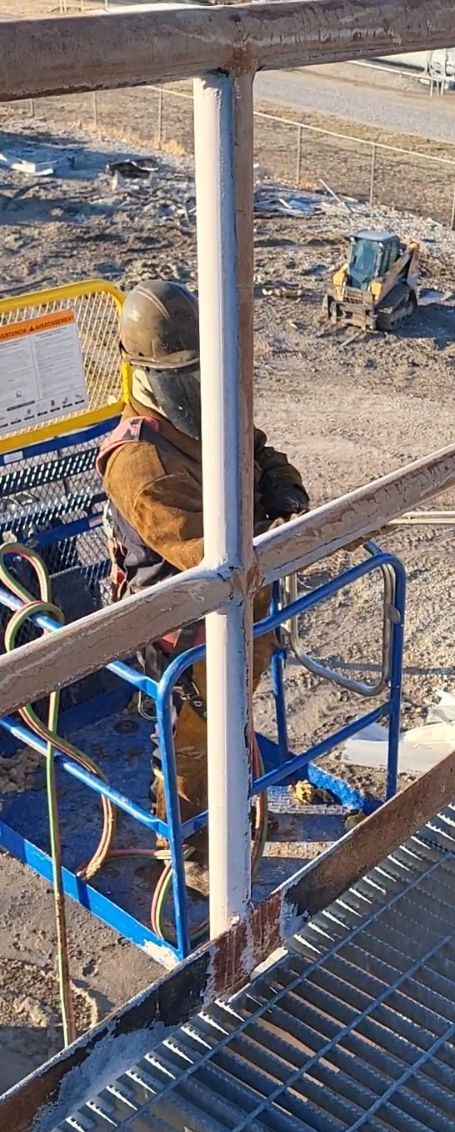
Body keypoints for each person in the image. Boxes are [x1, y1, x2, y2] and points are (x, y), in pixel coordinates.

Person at [97, 278, 309, 884]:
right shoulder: (140, 463)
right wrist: (270, 535)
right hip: (184, 632)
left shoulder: (198, 404)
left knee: (230, 721)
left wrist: (278, 480)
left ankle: (228, 796)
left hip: (241, 611)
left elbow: (253, 446)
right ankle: (190, 846)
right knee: (191, 749)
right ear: (145, 372)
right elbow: (201, 555)